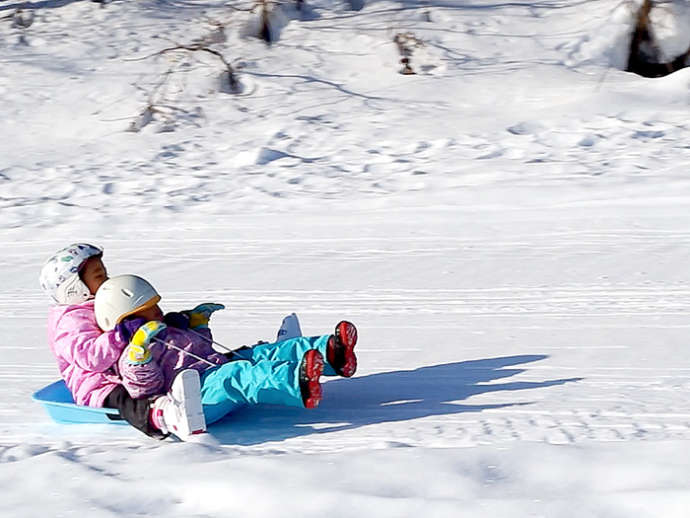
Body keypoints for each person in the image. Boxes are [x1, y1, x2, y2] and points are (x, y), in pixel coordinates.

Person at [95, 274, 358, 436]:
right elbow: (145, 390)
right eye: (148, 310)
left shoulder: (169, 328)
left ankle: (332, 354)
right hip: (196, 398)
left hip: (211, 370)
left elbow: (200, 350)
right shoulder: (131, 352)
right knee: (237, 374)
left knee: (257, 354)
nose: (158, 312)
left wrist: (198, 325)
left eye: (156, 306)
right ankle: (297, 383)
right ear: (126, 318)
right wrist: (139, 356)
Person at [39, 244, 211, 440]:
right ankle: (162, 416)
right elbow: (91, 357)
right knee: (124, 400)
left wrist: (168, 324)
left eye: (105, 274)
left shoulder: (101, 302)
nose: (107, 280)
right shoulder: (70, 322)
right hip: (98, 385)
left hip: (124, 372)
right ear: (75, 289)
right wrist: (121, 335)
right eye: (99, 276)